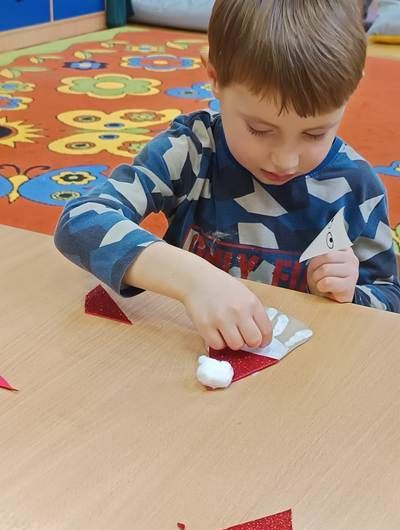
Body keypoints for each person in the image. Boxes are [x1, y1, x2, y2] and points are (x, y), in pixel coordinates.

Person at [54, 0, 400, 354]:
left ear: (351, 90)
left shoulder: (354, 187)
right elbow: (80, 220)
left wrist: (351, 293)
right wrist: (192, 279)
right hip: (188, 354)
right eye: (260, 129)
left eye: (315, 134)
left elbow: (390, 300)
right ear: (215, 77)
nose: (286, 160)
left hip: (304, 367)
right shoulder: (190, 151)